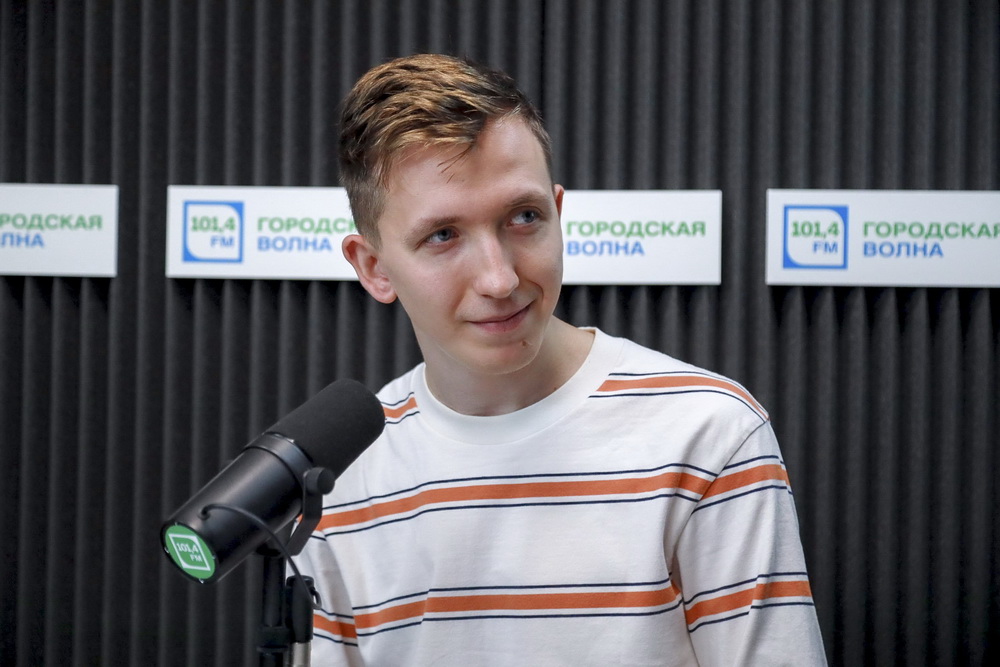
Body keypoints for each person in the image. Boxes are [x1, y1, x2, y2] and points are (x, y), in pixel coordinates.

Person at [295, 53, 827, 666]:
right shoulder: (338, 478)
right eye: (443, 235)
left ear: (558, 212)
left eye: (524, 218)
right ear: (374, 268)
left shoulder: (709, 434)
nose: (500, 278)